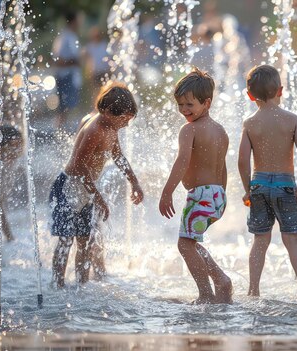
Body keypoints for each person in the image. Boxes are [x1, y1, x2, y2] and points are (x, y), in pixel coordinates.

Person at [49, 82, 144, 288]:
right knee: (66, 239)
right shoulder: (95, 129)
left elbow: (118, 156)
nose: (126, 124)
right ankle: (57, 285)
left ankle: (82, 286)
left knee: (85, 239)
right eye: (124, 119)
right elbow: (78, 166)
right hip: (69, 187)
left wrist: (134, 181)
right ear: (109, 112)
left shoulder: (111, 128)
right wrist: (98, 197)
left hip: (86, 188)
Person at [238, 64, 297, 302]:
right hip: (285, 185)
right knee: (292, 237)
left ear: (250, 95)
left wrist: (247, 188)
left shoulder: (250, 123)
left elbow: (242, 160)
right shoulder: (291, 119)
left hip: (259, 185)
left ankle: (253, 290)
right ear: (280, 90)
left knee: (260, 239)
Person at [159, 68, 233, 304]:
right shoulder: (220, 130)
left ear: (206, 103)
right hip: (217, 195)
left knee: (184, 244)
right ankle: (220, 280)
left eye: (189, 104)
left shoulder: (189, 130)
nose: (184, 110)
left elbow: (182, 160)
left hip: (201, 196)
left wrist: (167, 191)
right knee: (191, 242)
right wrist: (221, 195)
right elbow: (222, 167)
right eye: (180, 105)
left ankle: (206, 293)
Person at [0, 125, 24, 242]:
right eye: (14, 146)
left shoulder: (5, 165)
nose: (19, 150)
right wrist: (9, 237)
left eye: (20, 145)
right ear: (1, 148)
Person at [52, 12, 82, 130]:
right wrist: (75, 62)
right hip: (65, 76)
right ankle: (59, 132)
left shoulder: (71, 36)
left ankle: (64, 132)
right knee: (64, 107)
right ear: (73, 21)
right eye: (79, 20)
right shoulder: (64, 37)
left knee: (69, 107)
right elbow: (57, 59)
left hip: (71, 76)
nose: (80, 23)